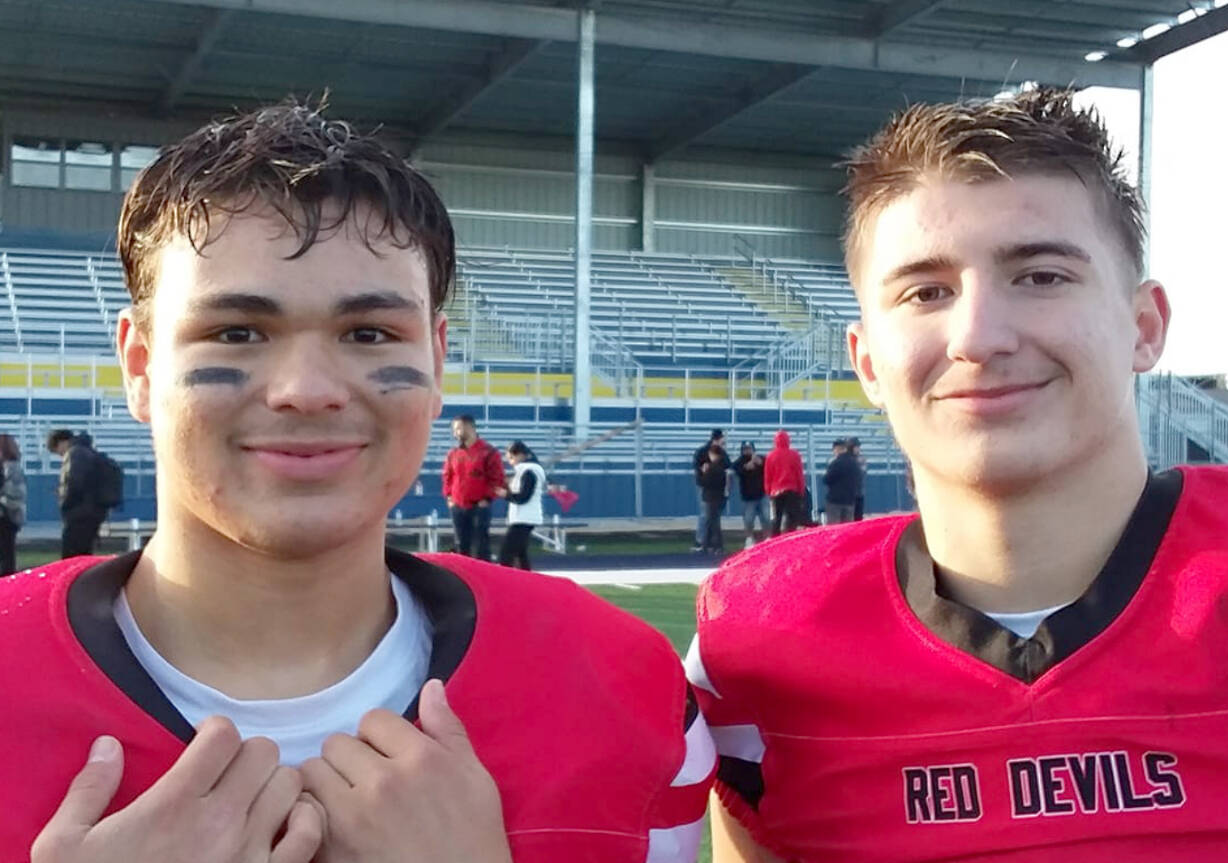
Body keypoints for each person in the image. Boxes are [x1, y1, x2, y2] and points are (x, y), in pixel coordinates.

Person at [0, 101, 711, 862]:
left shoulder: (619, 685)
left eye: (369, 333)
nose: (306, 389)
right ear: (140, 366)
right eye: (236, 332)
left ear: (436, 360)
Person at [689, 87, 1228, 862]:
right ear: (867, 361)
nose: (977, 336)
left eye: (1040, 276)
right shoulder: (760, 638)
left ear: (1144, 327)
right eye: (926, 292)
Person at [442, 414, 504, 561]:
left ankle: (483, 578)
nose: (455, 433)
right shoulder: (453, 453)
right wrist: (449, 496)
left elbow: (497, 478)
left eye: (458, 429)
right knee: (461, 544)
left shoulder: (488, 452)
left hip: (479, 506)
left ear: (469, 428)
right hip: (458, 505)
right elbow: (447, 476)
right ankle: (463, 579)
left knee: (480, 544)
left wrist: (487, 498)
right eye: (454, 430)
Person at [46, 428, 110, 558]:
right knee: (84, 553)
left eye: (57, 451)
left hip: (79, 514)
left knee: (72, 555)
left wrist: (64, 499)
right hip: (91, 511)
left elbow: (74, 483)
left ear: (62, 442)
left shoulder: (75, 454)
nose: (60, 455)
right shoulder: (87, 452)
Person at [494, 441, 545, 571]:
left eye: (511, 458)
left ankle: (505, 579)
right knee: (520, 553)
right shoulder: (527, 471)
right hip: (524, 517)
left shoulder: (528, 472)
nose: (510, 462)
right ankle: (526, 580)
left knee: (506, 552)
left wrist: (506, 495)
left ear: (521, 455)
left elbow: (523, 497)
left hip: (524, 518)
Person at [692, 429, 728, 552]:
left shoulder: (719, 453)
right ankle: (706, 542)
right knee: (708, 516)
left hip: (713, 490)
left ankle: (707, 543)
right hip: (708, 488)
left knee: (710, 516)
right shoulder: (706, 453)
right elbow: (698, 468)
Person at [763, 429, 804, 536]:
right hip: (792, 490)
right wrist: (801, 490)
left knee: (776, 518)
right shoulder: (795, 455)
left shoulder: (770, 456)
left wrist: (768, 490)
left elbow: (768, 475)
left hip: (776, 491)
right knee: (792, 518)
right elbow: (799, 473)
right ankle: (789, 538)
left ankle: (775, 539)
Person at [0, 433, 26, 575]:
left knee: (6, 553)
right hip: (8, 516)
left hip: (6, 517)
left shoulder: (10, 468)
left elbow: (14, 494)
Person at [731, 442, 766, 547]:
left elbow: (770, 467)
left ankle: (767, 538)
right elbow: (736, 470)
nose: (747, 451)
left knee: (767, 518)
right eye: (745, 449)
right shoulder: (739, 462)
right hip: (748, 497)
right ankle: (749, 538)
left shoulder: (761, 459)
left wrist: (761, 463)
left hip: (762, 494)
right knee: (748, 520)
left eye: (749, 449)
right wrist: (746, 467)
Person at [822, 438, 862, 524]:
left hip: (835, 501)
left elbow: (826, 479)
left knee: (834, 528)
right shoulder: (855, 463)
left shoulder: (836, 463)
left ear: (837, 449)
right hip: (849, 501)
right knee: (847, 529)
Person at [848, 436, 867, 520]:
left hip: (858, 493)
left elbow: (863, 472)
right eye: (856, 447)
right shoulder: (847, 459)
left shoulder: (861, 459)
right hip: (849, 494)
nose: (858, 449)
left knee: (858, 517)